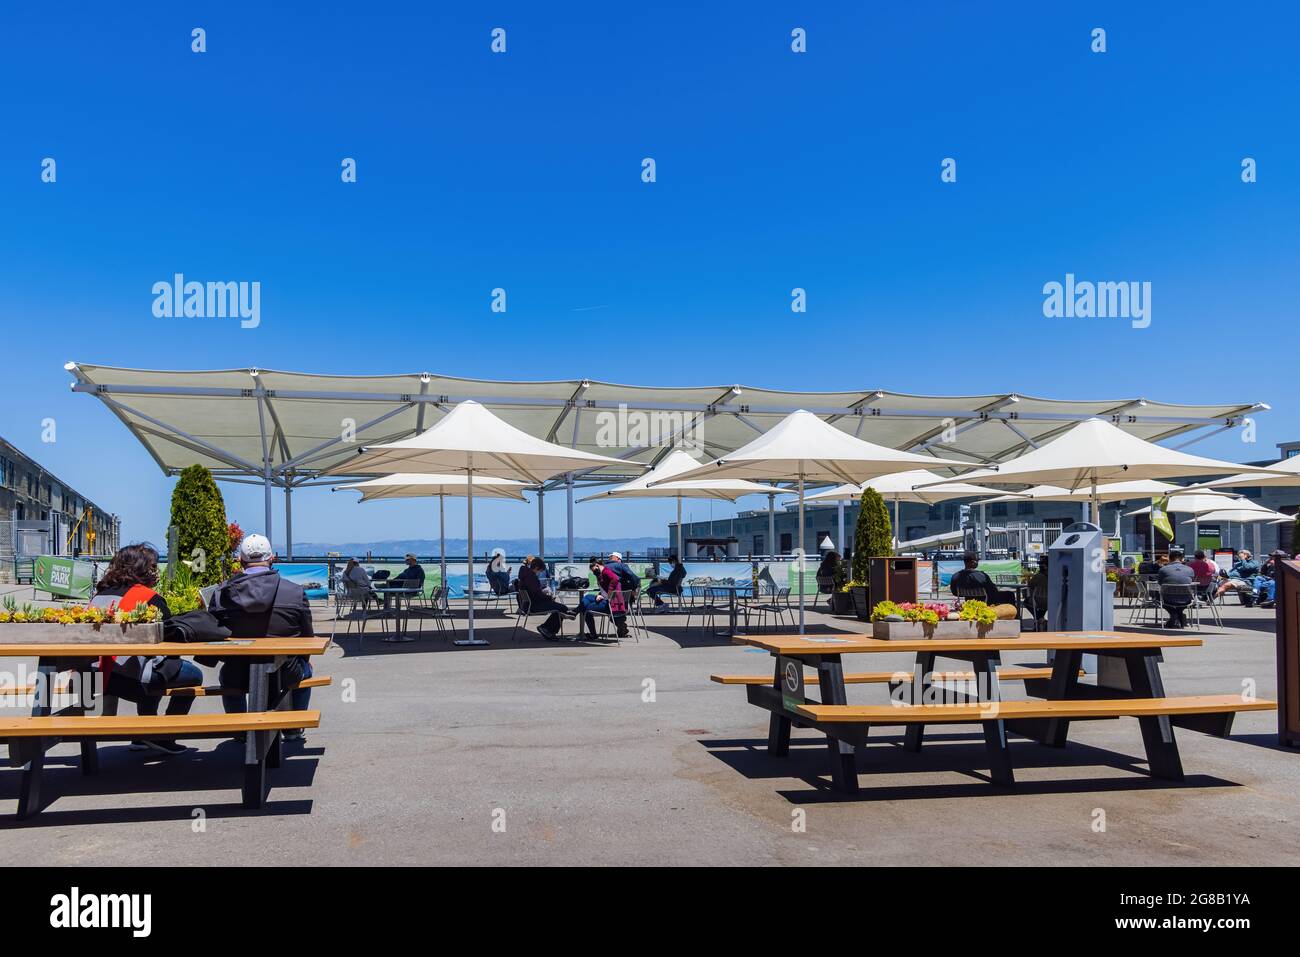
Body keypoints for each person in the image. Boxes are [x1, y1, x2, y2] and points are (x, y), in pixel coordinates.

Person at [89, 543, 202, 756]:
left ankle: (143, 734)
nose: (155, 572)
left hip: (96, 676)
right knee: (192, 674)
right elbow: (168, 635)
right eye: (152, 566)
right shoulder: (148, 598)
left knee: (156, 664)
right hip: (131, 680)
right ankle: (163, 736)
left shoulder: (99, 596)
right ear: (141, 569)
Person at [208, 534, 315, 741]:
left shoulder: (222, 593)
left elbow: (213, 633)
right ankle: (292, 727)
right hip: (285, 672)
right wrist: (303, 659)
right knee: (306, 669)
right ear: (272, 558)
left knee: (225, 676)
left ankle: (240, 730)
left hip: (238, 674)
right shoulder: (294, 591)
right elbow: (307, 636)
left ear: (240, 560)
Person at [517, 556, 573, 640]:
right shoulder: (531, 578)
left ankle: (548, 629)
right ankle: (547, 629)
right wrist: (549, 598)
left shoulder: (525, 576)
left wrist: (545, 597)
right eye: (540, 570)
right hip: (534, 606)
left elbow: (534, 593)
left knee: (560, 608)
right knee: (562, 608)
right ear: (536, 568)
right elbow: (537, 595)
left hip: (527, 604)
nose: (539, 573)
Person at [578, 557, 628, 640]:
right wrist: (600, 594)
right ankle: (575, 611)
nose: (593, 572)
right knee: (587, 597)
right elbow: (604, 588)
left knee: (585, 609)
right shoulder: (601, 573)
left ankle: (593, 634)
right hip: (608, 600)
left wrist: (609, 594)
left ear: (597, 565)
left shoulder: (606, 571)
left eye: (593, 569)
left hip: (610, 604)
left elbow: (615, 579)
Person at [949, 552, 1016, 605]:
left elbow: (954, 592)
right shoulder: (982, 576)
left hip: (969, 602)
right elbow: (993, 591)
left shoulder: (956, 576)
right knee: (1010, 595)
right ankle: (1014, 617)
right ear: (972, 562)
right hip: (986, 602)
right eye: (977, 560)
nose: (978, 562)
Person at [1157, 547, 1196, 628]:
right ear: (1182, 559)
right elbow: (1190, 582)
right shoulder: (1190, 569)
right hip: (1186, 599)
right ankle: (1179, 613)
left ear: (1170, 559)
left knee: (1157, 596)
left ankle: (1174, 614)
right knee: (1181, 601)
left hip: (1168, 599)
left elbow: (1160, 583)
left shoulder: (1163, 569)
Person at [1026, 555, 1049, 629]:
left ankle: (1039, 619)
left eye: (1040, 565)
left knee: (1026, 601)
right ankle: (1041, 619)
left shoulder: (1038, 576)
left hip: (1038, 602)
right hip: (1051, 602)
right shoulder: (1054, 576)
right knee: (1042, 607)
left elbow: (1030, 585)